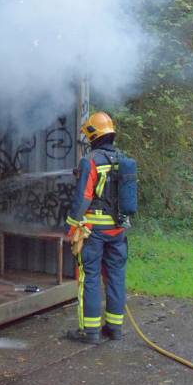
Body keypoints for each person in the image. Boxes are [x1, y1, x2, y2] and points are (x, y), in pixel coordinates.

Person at [64, 111, 130, 344]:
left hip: (94, 232)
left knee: (90, 276)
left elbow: (83, 198)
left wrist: (72, 227)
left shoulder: (91, 160)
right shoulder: (123, 159)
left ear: (93, 135)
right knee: (115, 277)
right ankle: (115, 328)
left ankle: (89, 331)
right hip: (119, 231)